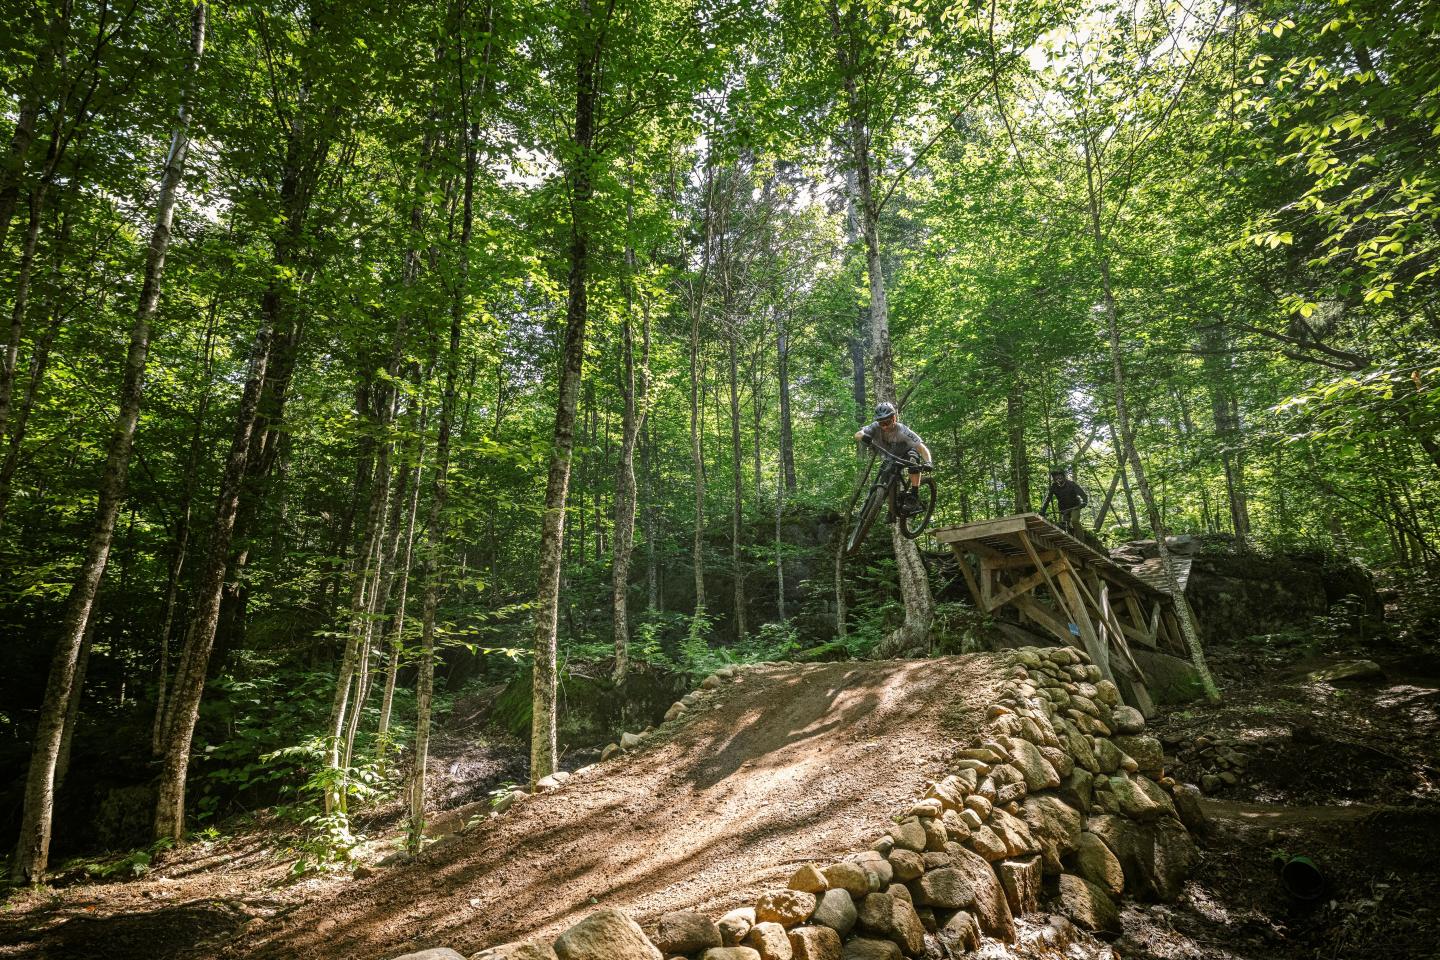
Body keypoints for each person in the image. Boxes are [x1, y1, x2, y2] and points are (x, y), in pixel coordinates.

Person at [853, 401, 932, 516]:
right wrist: (864, 437)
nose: (884, 426)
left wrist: (929, 462)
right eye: (881, 423)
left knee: (913, 460)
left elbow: (922, 448)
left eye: (887, 422)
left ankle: (914, 495)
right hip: (890, 456)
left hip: (906, 453)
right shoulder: (875, 427)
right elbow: (858, 434)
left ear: (894, 418)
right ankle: (891, 511)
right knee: (887, 477)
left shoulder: (903, 431)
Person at [1040, 465, 1089, 533]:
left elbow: (1082, 494)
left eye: (1060, 476)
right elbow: (1048, 499)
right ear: (1054, 478)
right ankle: (1071, 535)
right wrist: (1043, 510)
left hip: (1075, 507)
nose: (1058, 478)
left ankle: (1081, 538)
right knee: (1065, 525)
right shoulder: (1053, 487)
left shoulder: (1071, 484)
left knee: (1074, 520)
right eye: (1056, 476)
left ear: (1063, 476)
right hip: (1064, 509)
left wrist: (1084, 502)